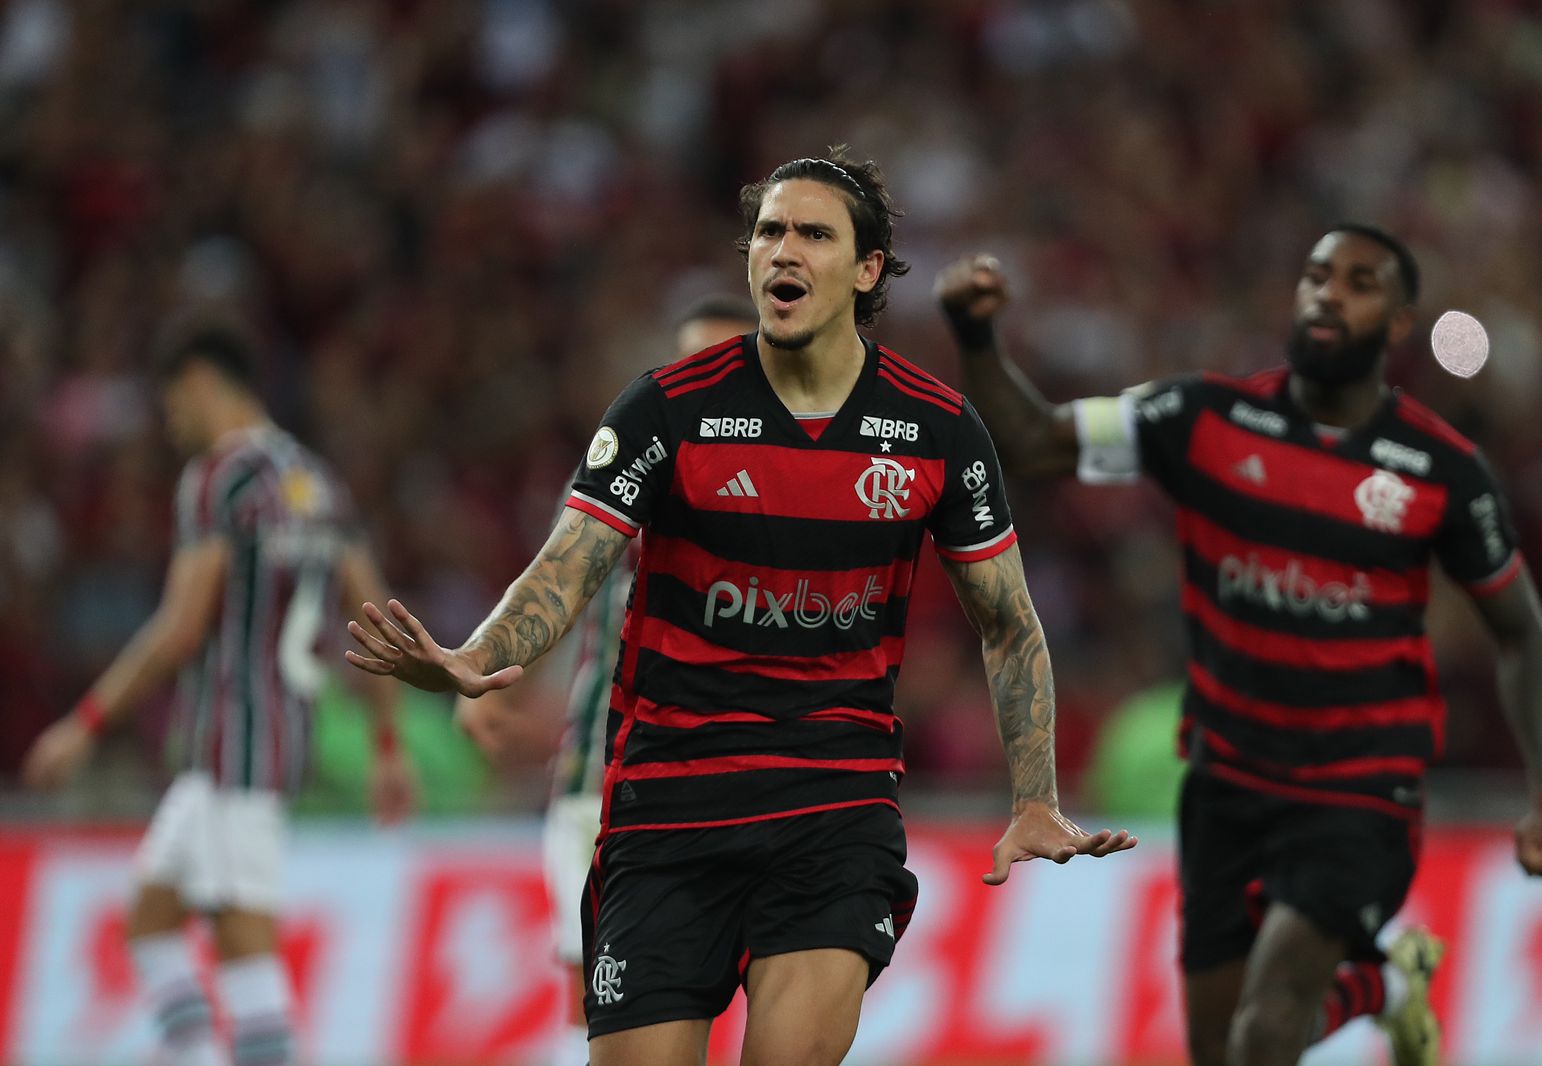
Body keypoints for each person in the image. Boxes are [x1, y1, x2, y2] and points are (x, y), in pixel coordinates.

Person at [348, 147, 1136, 1066]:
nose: (781, 252)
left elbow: (1007, 623)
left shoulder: (937, 430)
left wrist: (1035, 795)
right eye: (768, 233)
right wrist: (473, 658)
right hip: (670, 808)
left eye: (812, 234)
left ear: (867, 269)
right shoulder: (667, 411)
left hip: (832, 805)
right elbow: (565, 569)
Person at [935, 228, 1542, 1066]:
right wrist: (978, 338)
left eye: (1358, 283)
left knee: (1266, 1033)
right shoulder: (1202, 418)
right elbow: (1032, 441)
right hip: (1226, 785)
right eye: (1316, 275)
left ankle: (1374, 981)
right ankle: (1385, 984)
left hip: (1359, 791)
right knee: (1225, 1051)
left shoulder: (1440, 471)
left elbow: (1521, 634)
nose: (1327, 294)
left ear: (1396, 326)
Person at [23, 324, 414, 1066]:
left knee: (246, 953)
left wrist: (86, 721)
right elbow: (376, 615)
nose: (172, 423)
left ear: (202, 384)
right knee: (151, 923)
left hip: (235, 744)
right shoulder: (318, 483)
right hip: (261, 744)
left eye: (173, 403)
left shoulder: (219, 480)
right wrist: (387, 746)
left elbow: (179, 628)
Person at [456, 293, 760, 1066]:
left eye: (728, 359)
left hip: (720, 786)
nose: (708, 377)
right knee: (592, 998)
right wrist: (491, 682)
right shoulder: (627, 455)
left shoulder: (780, 480)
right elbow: (558, 594)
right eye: (694, 359)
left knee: (687, 1004)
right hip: (605, 780)